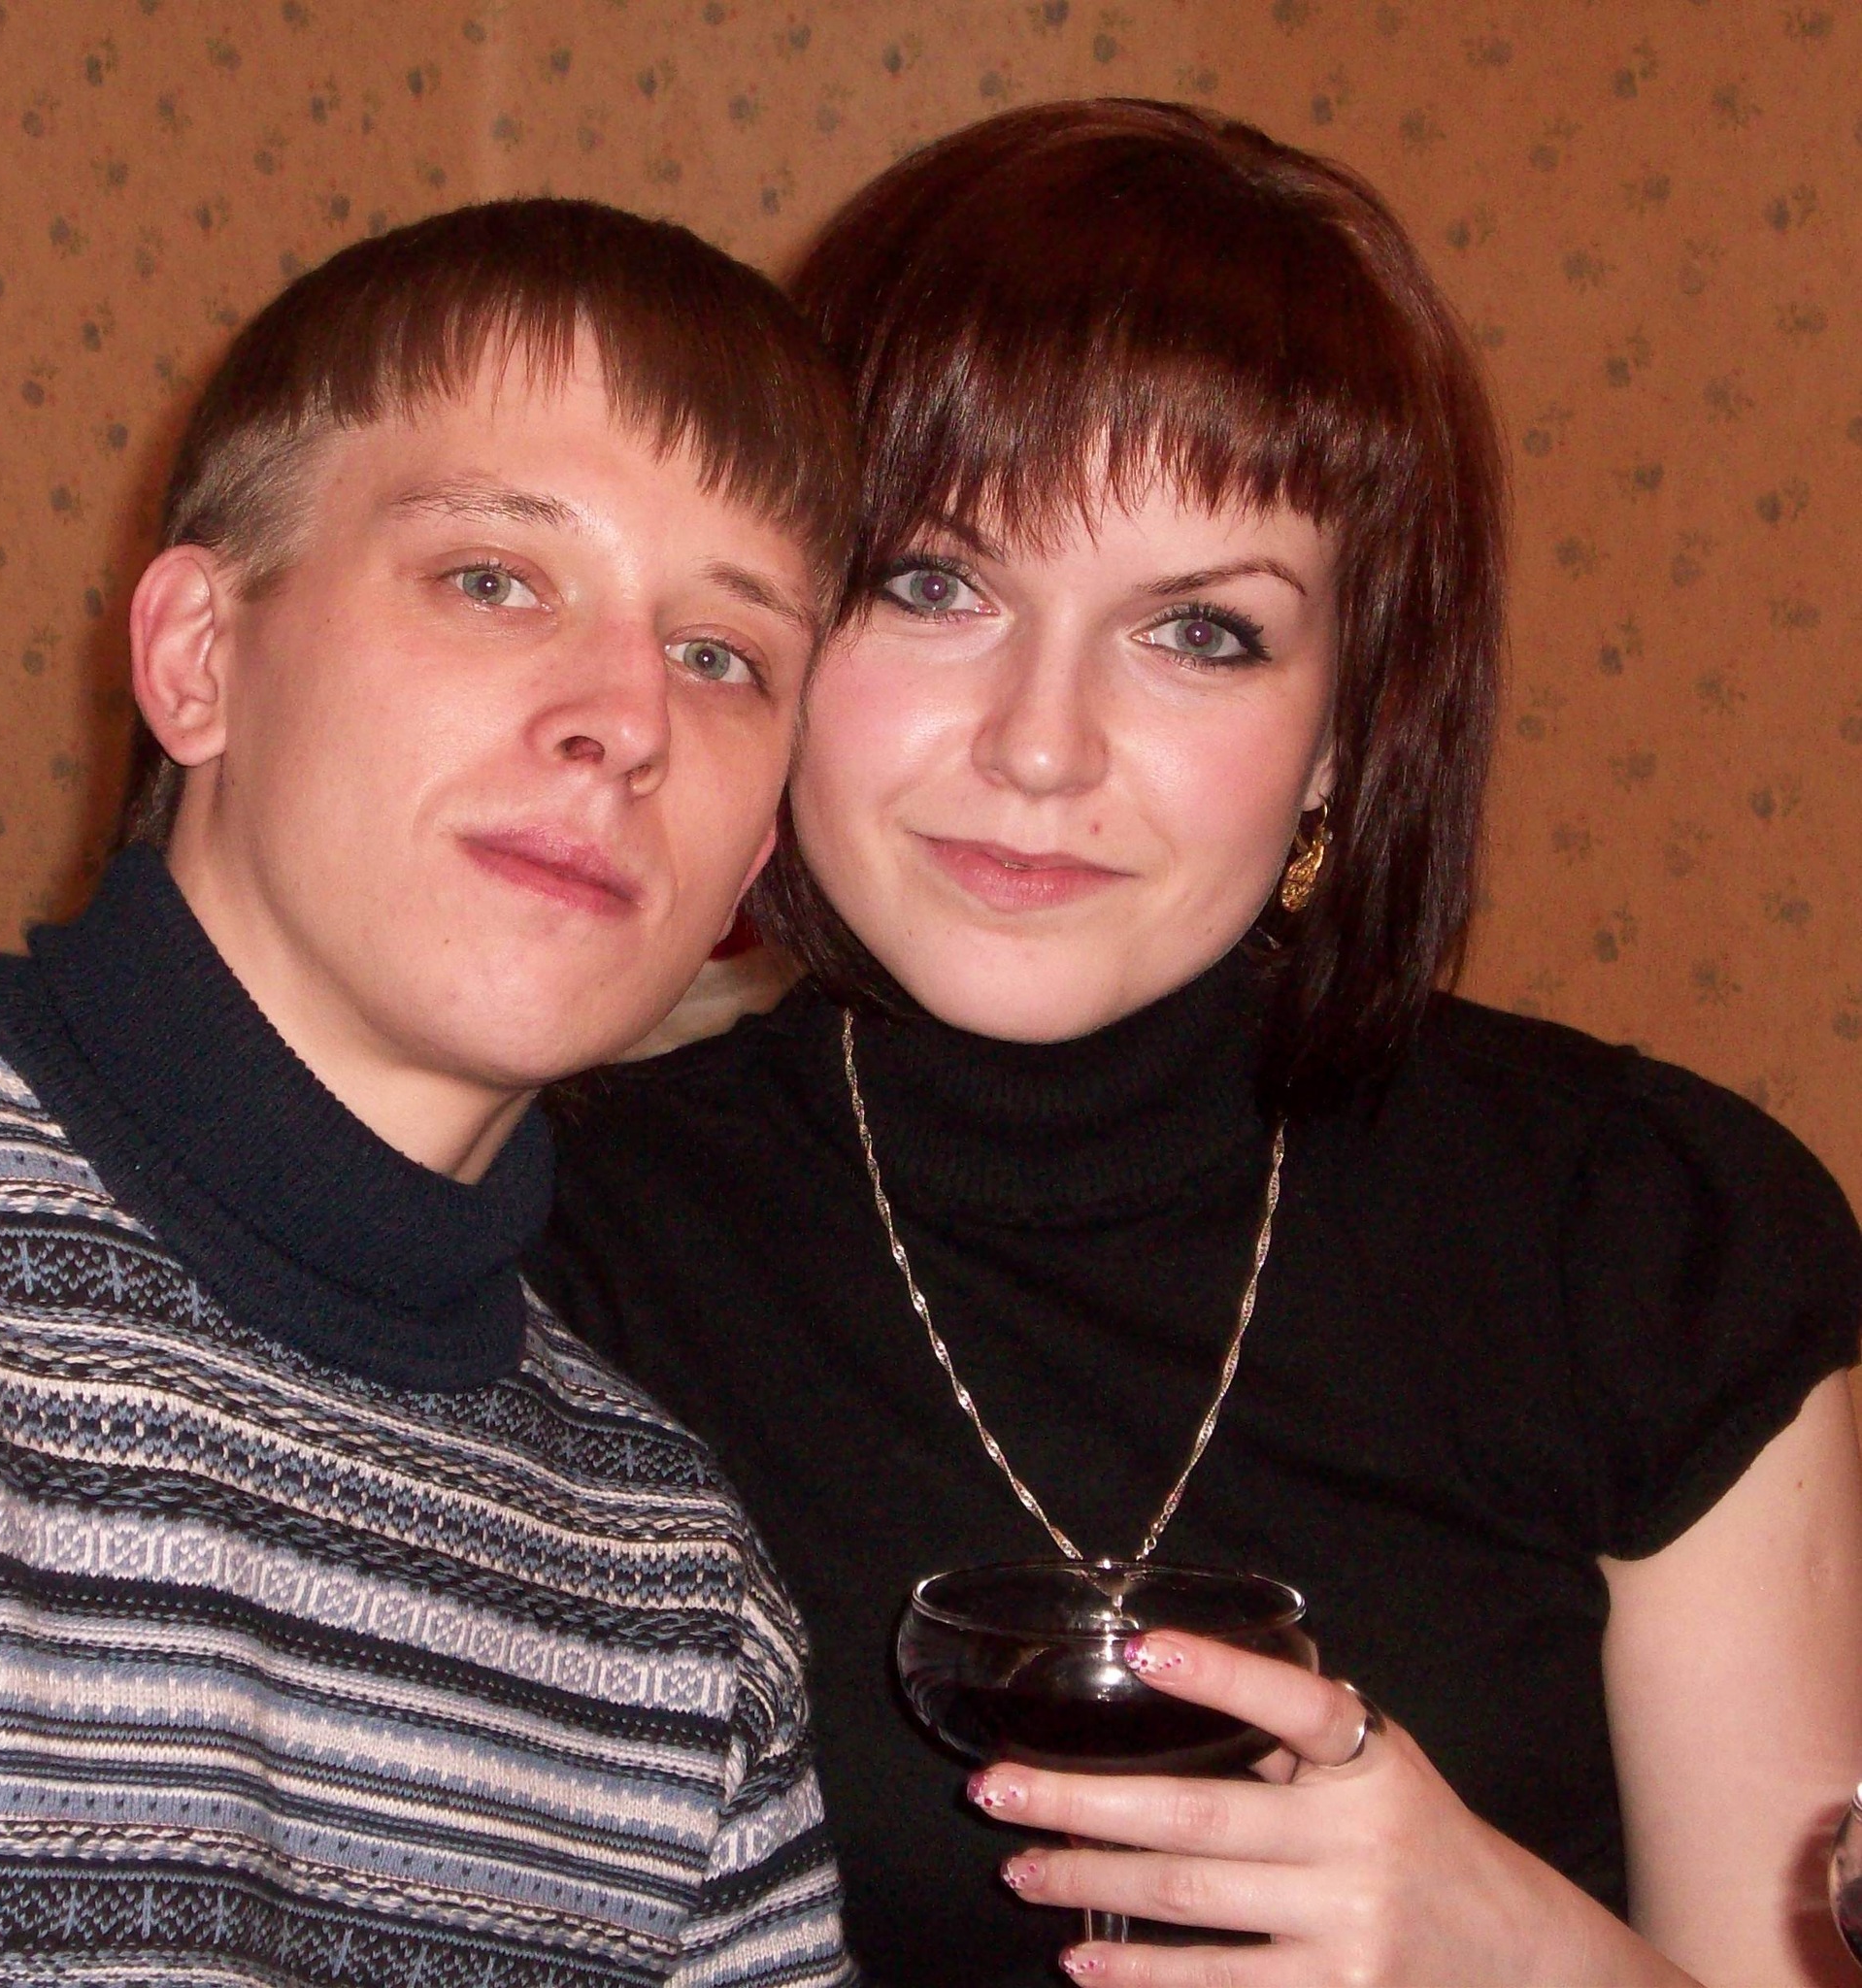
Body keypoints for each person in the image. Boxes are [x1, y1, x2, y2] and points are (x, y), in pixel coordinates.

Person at [532, 102, 1862, 1987]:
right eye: (936, 584)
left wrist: (1522, 1955)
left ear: (1346, 733)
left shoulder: (1649, 1233)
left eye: (1201, 635)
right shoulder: (547, 1231)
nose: (1039, 743)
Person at [0, 199, 863, 1985]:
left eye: (719, 656)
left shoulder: (679, 1584)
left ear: (756, 845)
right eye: (493, 580)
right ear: (200, 659)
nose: (630, 720)